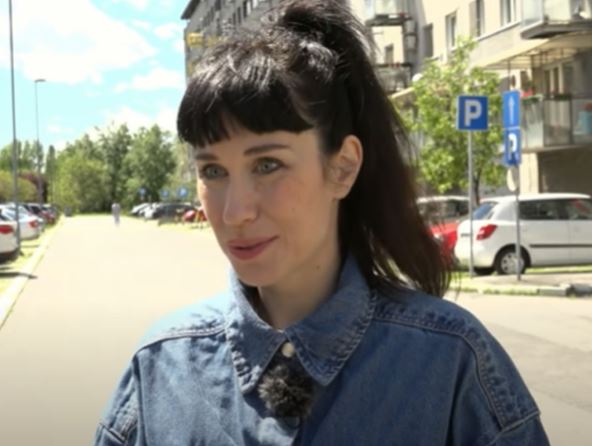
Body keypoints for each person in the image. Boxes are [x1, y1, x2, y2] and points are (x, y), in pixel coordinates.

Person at [94, 1, 549, 444]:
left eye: (267, 165)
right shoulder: (162, 367)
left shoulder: (450, 364)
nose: (235, 212)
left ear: (342, 167)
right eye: (213, 171)